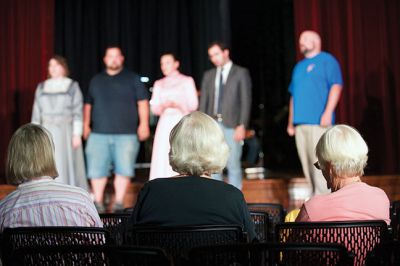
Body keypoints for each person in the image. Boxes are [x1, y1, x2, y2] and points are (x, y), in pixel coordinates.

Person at [129, 111, 256, 241]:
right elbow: (252, 248)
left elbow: (129, 241)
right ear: (218, 148)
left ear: (175, 146)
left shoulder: (151, 191)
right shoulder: (232, 196)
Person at [0, 124, 102, 232]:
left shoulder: (5, 209)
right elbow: (102, 241)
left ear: (13, 159)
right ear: (50, 155)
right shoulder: (81, 199)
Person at [84, 46, 150, 212]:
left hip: (126, 134)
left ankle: (119, 203)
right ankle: (97, 203)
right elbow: (88, 104)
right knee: (96, 169)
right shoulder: (96, 80)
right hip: (98, 133)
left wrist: (144, 124)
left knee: (124, 168)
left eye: (117, 56)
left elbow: (143, 103)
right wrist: (85, 125)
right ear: (105, 59)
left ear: (122, 58)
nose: (113, 59)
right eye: (110, 56)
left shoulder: (133, 79)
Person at [295, 125, 390, 224]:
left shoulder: (312, 209)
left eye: (320, 165)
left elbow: (290, 239)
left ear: (330, 168)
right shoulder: (381, 198)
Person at [287, 30, 343, 196]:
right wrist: (291, 122)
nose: (301, 42)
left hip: (319, 122)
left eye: (305, 39)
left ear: (316, 41)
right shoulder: (298, 66)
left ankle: (323, 200)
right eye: (300, 40)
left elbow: (336, 85)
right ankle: (315, 198)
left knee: (320, 164)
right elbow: (293, 96)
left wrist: (328, 112)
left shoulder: (327, 60)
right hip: (300, 124)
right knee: (307, 165)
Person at [199, 41, 252, 190]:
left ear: (225, 52)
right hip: (212, 124)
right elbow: (204, 103)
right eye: (211, 56)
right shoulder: (208, 75)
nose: (214, 58)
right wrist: (202, 125)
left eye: (216, 54)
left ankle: (235, 203)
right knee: (214, 165)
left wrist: (242, 125)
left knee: (233, 164)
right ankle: (217, 201)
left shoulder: (240, 72)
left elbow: (246, 100)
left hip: (232, 124)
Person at [31, 55, 87, 191]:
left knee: (65, 162)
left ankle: (67, 191)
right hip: (46, 129)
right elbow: (36, 112)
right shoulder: (42, 87)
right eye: (51, 65)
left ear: (63, 68)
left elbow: (77, 111)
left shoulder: (72, 86)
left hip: (65, 131)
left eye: (57, 65)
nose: (53, 68)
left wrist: (76, 134)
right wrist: (34, 134)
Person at [149, 53, 198, 180]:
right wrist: (165, 105)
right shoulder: (159, 83)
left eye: (167, 63)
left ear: (176, 64)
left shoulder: (187, 80)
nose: (164, 66)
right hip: (165, 121)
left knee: (182, 148)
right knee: (163, 150)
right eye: (162, 63)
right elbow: (154, 107)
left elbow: (193, 104)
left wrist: (178, 104)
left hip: (181, 119)